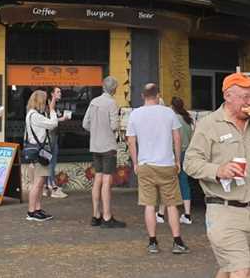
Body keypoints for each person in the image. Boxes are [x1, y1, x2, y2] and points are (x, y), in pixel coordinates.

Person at [184, 72, 250, 278]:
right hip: (224, 211)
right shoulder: (209, 125)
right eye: (245, 97)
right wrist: (218, 170)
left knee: (230, 268)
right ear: (228, 96)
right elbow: (190, 163)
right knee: (242, 270)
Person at [126, 83, 190, 255]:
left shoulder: (135, 114)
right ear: (158, 95)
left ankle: (152, 242)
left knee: (149, 205)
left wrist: (135, 163)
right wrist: (177, 160)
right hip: (166, 165)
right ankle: (177, 241)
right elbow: (177, 138)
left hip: (145, 165)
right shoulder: (169, 113)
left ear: (142, 96)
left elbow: (131, 140)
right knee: (171, 205)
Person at [82, 75, 126, 228]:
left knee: (97, 179)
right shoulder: (112, 103)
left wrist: (95, 130)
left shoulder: (93, 102)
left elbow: (85, 124)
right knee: (107, 181)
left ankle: (96, 215)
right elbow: (114, 126)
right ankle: (107, 217)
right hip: (108, 146)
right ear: (114, 89)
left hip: (95, 146)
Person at [157, 96, 195, 225]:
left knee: (167, 183)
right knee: (184, 183)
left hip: (174, 154)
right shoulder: (188, 119)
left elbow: (171, 139)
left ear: (172, 107)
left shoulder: (173, 120)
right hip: (187, 154)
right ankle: (187, 214)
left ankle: (161, 214)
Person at [24, 89, 59, 221]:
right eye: (45, 101)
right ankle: (31, 212)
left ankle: (37, 209)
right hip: (40, 152)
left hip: (35, 151)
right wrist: (52, 109)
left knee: (38, 183)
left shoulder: (31, 114)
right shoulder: (36, 116)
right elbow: (53, 124)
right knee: (38, 184)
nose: (46, 103)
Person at [45, 87, 69, 199]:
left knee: (51, 161)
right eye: (58, 92)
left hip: (54, 136)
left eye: (60, 91)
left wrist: (61, 118)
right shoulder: (50, 104)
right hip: (50, 137)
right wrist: (61, 119)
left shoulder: (54, 105)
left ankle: (47, 186)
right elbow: (50, 120)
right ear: (52, 94)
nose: (60, 93)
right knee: (51, 161)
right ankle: (51, 186)